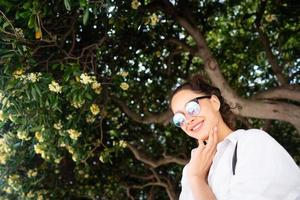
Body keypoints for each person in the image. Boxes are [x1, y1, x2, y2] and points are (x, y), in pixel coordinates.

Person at [170, 75, 300, 200]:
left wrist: (197, 179)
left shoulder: (252, 142)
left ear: (214, 102)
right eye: (179, 118)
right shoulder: (189, 171)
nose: (188, 120)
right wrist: (193, 176)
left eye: (192, 107)